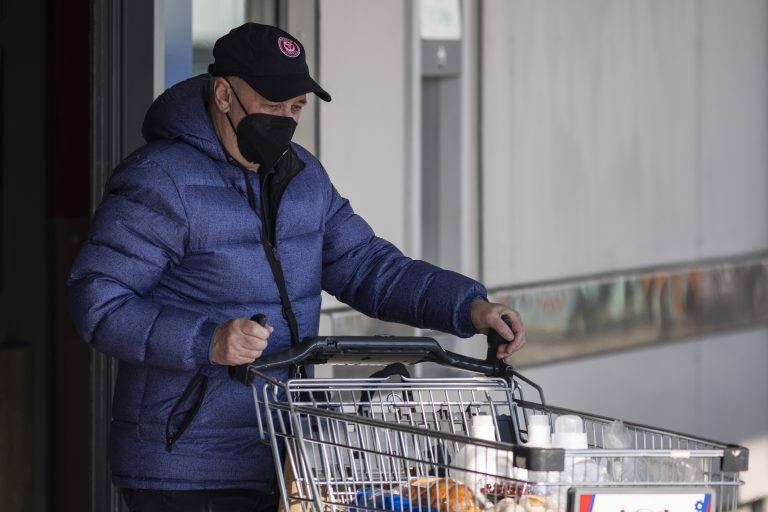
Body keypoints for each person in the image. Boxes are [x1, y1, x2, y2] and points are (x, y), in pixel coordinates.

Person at [68, 22, 525, 512]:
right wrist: (209, 340)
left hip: (289, 455)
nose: (285, 120)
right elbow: (98, 301)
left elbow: (369, 267)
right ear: (224, 94)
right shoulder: (161, 180)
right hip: (186, 465)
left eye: (296, 108)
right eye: (272, 105)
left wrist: (469, 306)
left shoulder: (304, 178)